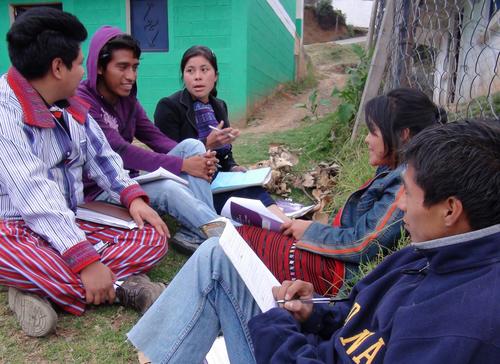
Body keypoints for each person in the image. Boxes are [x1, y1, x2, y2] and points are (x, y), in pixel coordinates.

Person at [128, 118, 500, 363]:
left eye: (408, 192)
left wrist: (277, 326)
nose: (400, 203)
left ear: (450, 210)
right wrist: (314, 313)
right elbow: (357, 312)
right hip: (310, 344)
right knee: (217, 254)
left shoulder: (458, 326)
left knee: (220, 257)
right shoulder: (428, 256)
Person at [0, 8, 169, 337]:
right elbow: (34, 195)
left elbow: (103, 157)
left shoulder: (70, 103)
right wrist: (86, 261)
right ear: (57, 67)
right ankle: (124, 288)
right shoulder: (5, 114)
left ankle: (36, 288)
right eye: (79, 63)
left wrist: (131, 197)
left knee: (153, 237)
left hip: (69, 217)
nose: (83, 72)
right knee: (27, 257)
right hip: (12, 227)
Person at [236, 87, 446, 295]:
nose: (366, 140)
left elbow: (363, 245)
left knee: (240, 241)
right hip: (335, 256)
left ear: (403, 134)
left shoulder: (405, 182)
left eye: (373, 132)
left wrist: (310, 231)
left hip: (339, 273)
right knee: (238, 238)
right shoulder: (394, 167)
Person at [77, 27, 220, 253]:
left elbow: (155, 137)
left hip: (129, 182)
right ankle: (226, 232)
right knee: (167, 188)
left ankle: (197, 231)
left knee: (194, 146)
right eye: (122, 67)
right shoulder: (83, 100)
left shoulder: (127, 100)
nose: (131, 76)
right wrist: (182, 165)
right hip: (101, 190)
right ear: (100, 67)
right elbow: (120, 151)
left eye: (135, 67)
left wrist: (195, 161)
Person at [154, 45, 287, 219]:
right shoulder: (169, 107)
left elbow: (225, 152)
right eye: (190, 71)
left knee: (252, 189)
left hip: (219, 178)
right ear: (183, 76)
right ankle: (281, 225)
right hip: (191, 180)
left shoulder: (219, 106)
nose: (198, 77)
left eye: (204, 70)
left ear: (215, 76)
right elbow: (168, 157)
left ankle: (286, 224)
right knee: (242, 203)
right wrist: (207, 144)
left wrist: (232, 166)